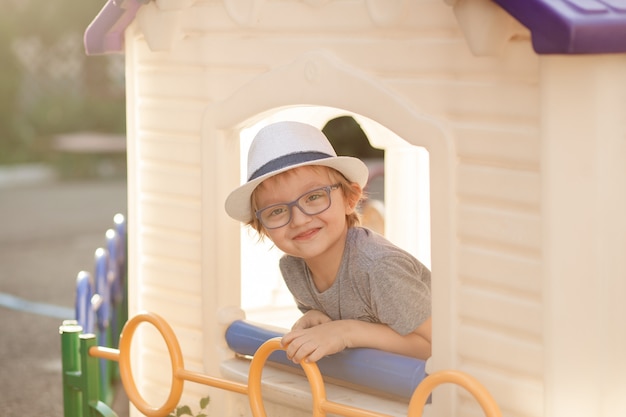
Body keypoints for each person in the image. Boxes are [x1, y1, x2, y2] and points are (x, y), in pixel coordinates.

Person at [225, 121, 431, 364]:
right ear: (263, 228)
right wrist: (318, 318)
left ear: (350, 198)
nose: (299, 219)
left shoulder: (379, 267)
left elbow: (438, 347)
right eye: (277, 211)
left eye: (314, 197)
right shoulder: (294, 270)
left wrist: (345, 332)